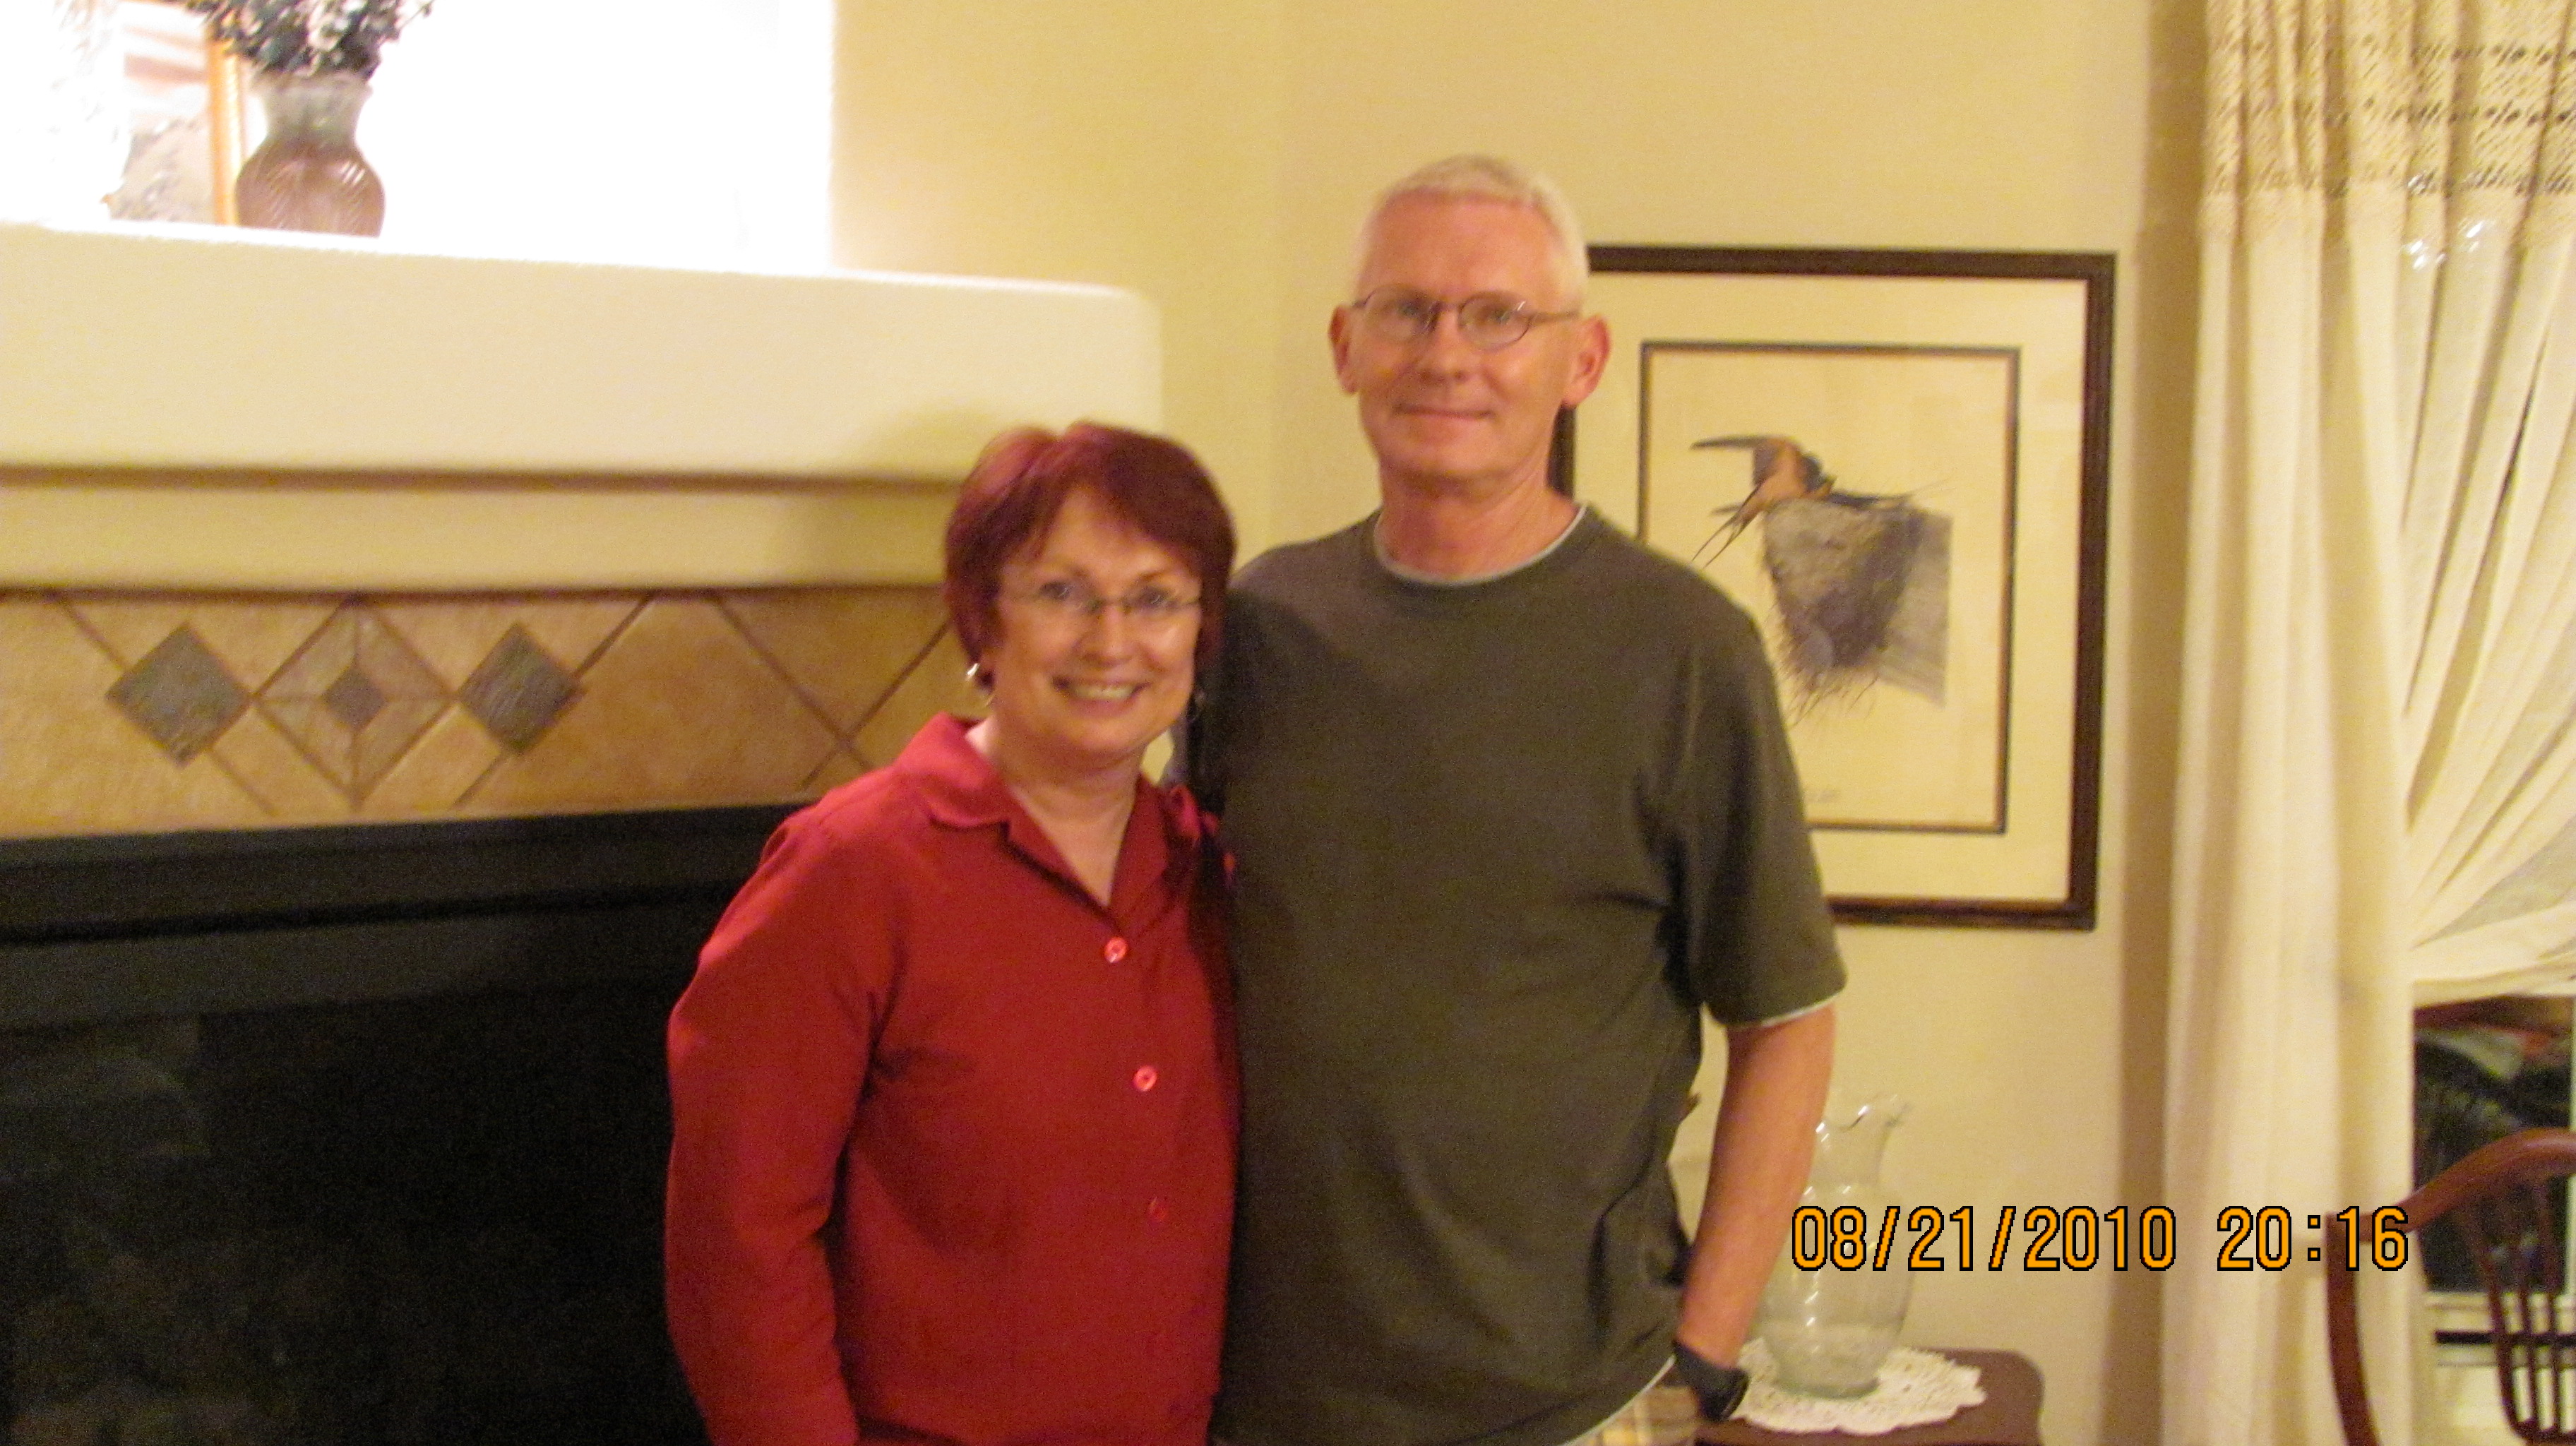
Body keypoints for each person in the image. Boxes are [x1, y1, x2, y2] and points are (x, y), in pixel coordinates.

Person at [1185, 155, 1845, 1446]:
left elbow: (1785, 1020)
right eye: (1406, 311)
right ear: (1345, 347)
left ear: (1579, 360)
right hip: (1263, 1396)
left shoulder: (1682, 651)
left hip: (1568, 1401)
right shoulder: (1258, 624)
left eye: (1498, 317)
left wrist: (1704, 1355)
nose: (1448, 355)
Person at [664, 423, 1239, 1446]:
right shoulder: (851, 871)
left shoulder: (1208, 873)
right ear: (983, 617)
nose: (1112, 641)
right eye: (1061, 592)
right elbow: (737, 1236)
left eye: (1157, 599)